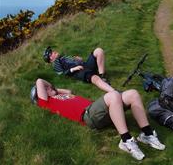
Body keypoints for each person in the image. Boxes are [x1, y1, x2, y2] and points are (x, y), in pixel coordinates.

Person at [34, 78, 165, 160]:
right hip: (88, 116)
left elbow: (68, 91)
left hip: (98, 110)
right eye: (46, 89)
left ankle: (147, 134)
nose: (48, 88)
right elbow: (39, 80)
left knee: (133, 94)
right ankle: (126, 141)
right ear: (39, 95)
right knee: (113, 95)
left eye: (49, 87)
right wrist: (48, 91)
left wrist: (54, 89)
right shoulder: (46, 103)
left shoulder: (61, 95)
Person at [43, 46, 114, 92]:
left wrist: (79, 60)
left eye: (51, 51)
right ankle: (113, 91)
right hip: (79, 72)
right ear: (51, 60)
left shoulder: (63, 57)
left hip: (85, 65)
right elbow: (63, 74)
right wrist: (74, 69)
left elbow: (74, 62)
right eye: (50, 54)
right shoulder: (56, 64)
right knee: (95, 78)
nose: (53, 52)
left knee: (98, 50)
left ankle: (103, 77)